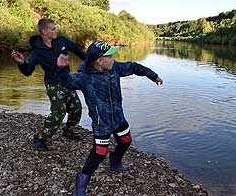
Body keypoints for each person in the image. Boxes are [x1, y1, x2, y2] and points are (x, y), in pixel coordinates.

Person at [56, 40, 163, 196]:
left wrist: (153, 76)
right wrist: (62, 68)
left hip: (119, 118)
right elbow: (67, 81)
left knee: (126, 141)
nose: (114, 59)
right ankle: (80, 185)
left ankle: (115, 162)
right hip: (102, 124)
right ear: (100, 60)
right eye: (111, 56)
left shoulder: (114, 68)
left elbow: (133, 67)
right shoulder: (84, 77)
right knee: (99, 153)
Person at [11, 18, 86, 151]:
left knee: (76, 109)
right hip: (53, 84)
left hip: (67, 80)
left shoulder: (62, 41)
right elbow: (28, 71)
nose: (56, 30)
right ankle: (40, 138)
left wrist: (92, 61)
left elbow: (77, 50)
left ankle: (67, 130)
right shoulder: (37, 52)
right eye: (53, 29)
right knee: (59, 112)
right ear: (44, 32)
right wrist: (21, 62)